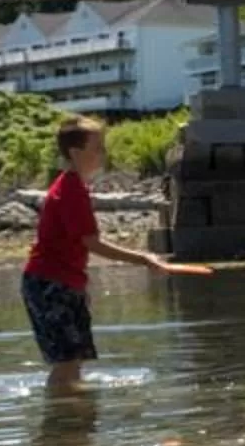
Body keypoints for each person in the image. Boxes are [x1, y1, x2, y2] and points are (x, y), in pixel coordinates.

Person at [24, 116, 173, 391]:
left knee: (75, 359)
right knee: (67, 362)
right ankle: (61, 425)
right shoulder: (69, 190)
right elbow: (93, 243)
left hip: (63, 283)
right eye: (98, 148)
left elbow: (79, 246)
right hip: (49, 283)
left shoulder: (74, 187)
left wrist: (79, 288)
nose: (104, 154)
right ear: (76, 153)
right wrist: (143, 259)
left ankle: (74, 424)